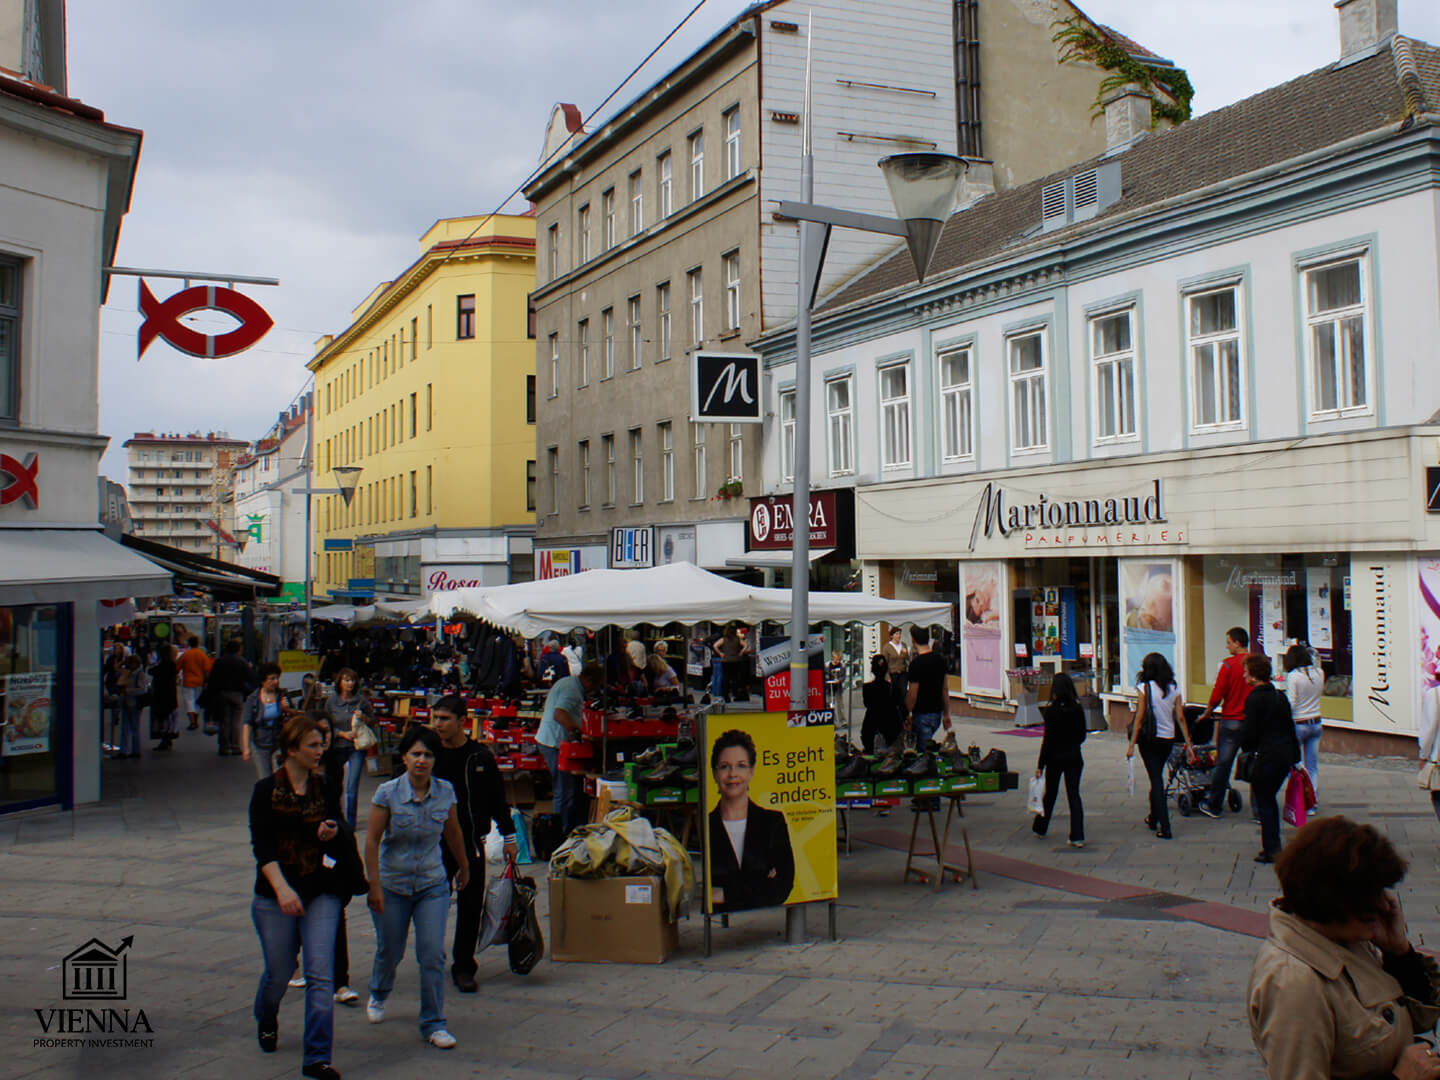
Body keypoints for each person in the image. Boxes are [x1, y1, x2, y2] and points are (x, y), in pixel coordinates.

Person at [1248, 817, 1440, 1080]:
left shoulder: (1346, 940)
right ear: (1330, 898)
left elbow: (1415, 1016)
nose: (1385, 906)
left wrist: (1399, 953)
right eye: (1369, 896)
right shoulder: (1295, 982)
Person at [248, 713, 347, 1080]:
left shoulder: (326, 786)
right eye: (313, 745)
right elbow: (262, 848)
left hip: (320, 889)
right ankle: (267, 1012)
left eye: (322, 744)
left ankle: (317, 1057)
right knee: (279, 973)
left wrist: (331, 829)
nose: (321, 751)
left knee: (320, 974)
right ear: (292, 750)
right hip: (276, 893)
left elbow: (340, 826)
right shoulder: (264, 791)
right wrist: (282, 890)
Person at [364, 726, 469, 1050]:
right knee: (390, 949)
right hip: (393, 884)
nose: (422, 760)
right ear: (404, 757)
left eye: (428, 755)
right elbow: (371, 840)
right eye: (416, 754)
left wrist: (465, 865)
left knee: (432, 954)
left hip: (431, 884)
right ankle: (379, 992)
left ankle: (434, 1022)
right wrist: (374, 886)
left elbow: (453, 832)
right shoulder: (387, 793)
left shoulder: (445, 791)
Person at [428, 695, 516, 994]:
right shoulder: (429, 755)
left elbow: (497, 800)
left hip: (470, 841)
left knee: (470, 906)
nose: (437, 724)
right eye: (435, 718)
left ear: (462, 721)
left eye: (444, 719)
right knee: (433, 903)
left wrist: (509, 837)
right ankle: (431, 958)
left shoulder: (479, 757)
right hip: (434, 842)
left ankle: (464, 966)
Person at [707, 729, 795, 912]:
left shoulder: (773, 822)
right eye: (724, 766)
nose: (732, 774)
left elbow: (782, 888)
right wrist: (761, 885)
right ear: (715, 773)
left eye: (741, 765)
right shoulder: (705, 826)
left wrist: (724, 894)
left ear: (751, 771)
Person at [1126, 652, 1194, 840]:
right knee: (1156, 777)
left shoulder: (1144, 688)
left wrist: (1132, 744)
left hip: (1148, 739)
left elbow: (1139, 718)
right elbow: (1180, 717)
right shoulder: (1173, 688)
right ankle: (1154, 817)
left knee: (1156, 780)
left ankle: (1165, 826)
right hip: (1167, 739)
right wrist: (1188, 742)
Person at [1240, 655, 1301, 864]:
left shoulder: (1254, 699)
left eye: (1246, 671)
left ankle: (1272, 848)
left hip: (1267, 755)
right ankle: (1273, 845)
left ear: (1254, 675)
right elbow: (1290, 727)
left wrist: (1246, 746)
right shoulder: (1279, 696)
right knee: (1269, 799)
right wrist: (1296, 758)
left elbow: (1250, 732)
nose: (1243, 675)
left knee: (1265, 801)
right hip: (1284, 754)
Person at [537, 662, 603, 836]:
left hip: (552, 740)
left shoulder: (569, 682)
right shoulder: (572, 690)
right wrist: (579, 731)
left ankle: (564, 828)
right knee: (564, 791)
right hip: (554, 743)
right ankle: (560, 833)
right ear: (589, 681)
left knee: (567, 789)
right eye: (595, 686)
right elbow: (559, 714)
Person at [1198, 627, 1254, 818]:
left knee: (1223, 763)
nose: (1226, 645)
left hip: (1231, 720)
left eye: (1229, 642)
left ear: (1238, 643)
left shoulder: (1228, 665)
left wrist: (1207, 712)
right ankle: (1259, 810)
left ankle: (1214, 804)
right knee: (1255, 761)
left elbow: (1217, 694)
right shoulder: (1257, 662)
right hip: (1252, 721)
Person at [1032, 672, 1087, 847]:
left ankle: (1041, 826)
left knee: (1051, 794)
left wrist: (1041, 764)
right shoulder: (1077, 709)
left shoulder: (1051, 711)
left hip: (1055, 758)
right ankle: (1077, 835)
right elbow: (1082, 735)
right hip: (1073, 757)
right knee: (1074, 795)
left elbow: (1047, 740)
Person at [324, 669, 374, 830]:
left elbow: (373, 721)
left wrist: (364, 718)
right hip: (337, 747)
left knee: (352, 786)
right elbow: (325, 725)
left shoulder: (361, 701)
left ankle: (351, 823)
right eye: (346, 680)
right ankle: (334, 816)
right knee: (334, 784)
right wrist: (342, 734)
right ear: (339, 682)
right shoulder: (331, 702)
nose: (349, 684)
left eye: (352, 680)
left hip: (356, 748)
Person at [1282, 644, 1324, 803]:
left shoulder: (1294, 676)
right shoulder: (1320, 672)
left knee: (1292, 762)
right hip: (1316, 722)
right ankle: (1312, 802)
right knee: (1312, 767)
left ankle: (1295, 797)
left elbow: (1291, 702)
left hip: (1299, 723)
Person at [905, 626, 951, 749]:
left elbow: (913, 694)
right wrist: (946, 714)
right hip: (937, 712)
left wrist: (907, 713)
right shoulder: (940, 660)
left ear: (913, 640)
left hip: (922, 712)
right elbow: (944, 689)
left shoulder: (915, 664)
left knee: (922, 751)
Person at [208, 638, 254, 756]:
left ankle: (224, 747)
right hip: (237, 693)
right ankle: (235, 746)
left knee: (224, 720)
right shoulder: (242, 661)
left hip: (222, 693)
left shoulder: (219, 661)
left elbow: (212, 679)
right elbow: (250, 677)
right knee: (236, 721)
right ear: (239, 649)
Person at [243, 663, 288, 781]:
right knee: (265, 779)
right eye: (272, 678)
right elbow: (247, 723)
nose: (275, 681)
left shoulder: (281, 695)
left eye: (277, 678)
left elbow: (290, 718)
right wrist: (246, 747)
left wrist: (286, 708)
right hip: (260, 744)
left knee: (279, 776)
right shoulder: (253, 699)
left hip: (278, 741)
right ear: (263, 681)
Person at [860, 655, 900, 754]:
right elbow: (898, 703)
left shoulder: (867, 687)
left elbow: (867, 703)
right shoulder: (892, 687)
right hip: (890, 726)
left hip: (871, 726)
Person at [177, 635, 213, 731]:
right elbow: (207, 670)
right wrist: (206, 681)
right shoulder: (202, 655)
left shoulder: (186, 654)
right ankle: (196, 719)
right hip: (199, 681)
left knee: (189, 701)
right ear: (198, 643)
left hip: (188, 681)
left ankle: (192, 722)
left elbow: (177, 668)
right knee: (197, 701)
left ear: (189, 644)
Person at [149, 644, 181, 752]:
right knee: (168, 717)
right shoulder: (172, 665)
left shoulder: (164, 665)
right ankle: (167, 738)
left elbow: (152, 671)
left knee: (163, 718)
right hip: (170, 694)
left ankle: (165, 739)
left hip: (162, 694)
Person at [116, 654, 147, 759]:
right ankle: (125, 750)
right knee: (126, 727)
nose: (127, 665)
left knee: (134, 727)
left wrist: (127, 690)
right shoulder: (128, 673)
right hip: (126, 702)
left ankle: (135, 750)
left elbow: (142, 690)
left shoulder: (140, 674)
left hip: (134, 703)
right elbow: (117, 669)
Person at [882, 626, 910, 728]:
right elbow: (884, 663)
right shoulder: (887, 647)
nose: (898, 636)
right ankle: (893, 717)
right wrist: (886, 675)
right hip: (892, 673)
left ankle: (904, 717)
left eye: (899, 634)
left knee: (903, 694)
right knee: (893, 695)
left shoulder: (903, 645)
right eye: (896, 634)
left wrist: (906, 653)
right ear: (891, 636)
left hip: (902, 673)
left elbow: (907, 660)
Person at [715, 625, 748, 703]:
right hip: (736, 660)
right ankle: (735, 693)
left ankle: (725, 695)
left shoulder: (723, 639)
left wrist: (720, 653)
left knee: (725, 678)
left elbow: (715, 645)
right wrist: (741, 652)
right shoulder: (737, 639)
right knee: (735, 678)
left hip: (726, 660)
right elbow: (746, 645)